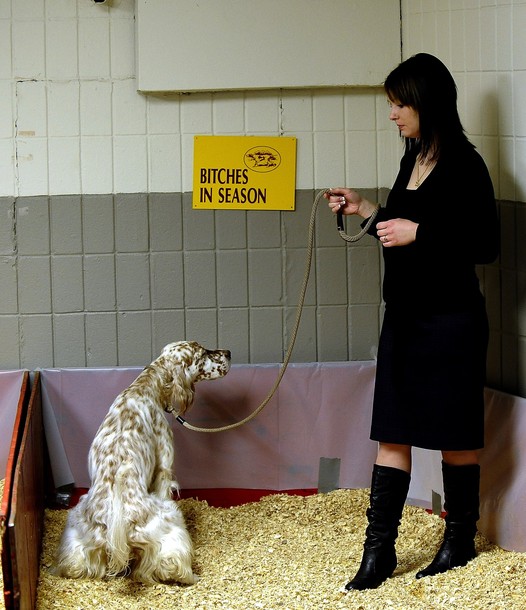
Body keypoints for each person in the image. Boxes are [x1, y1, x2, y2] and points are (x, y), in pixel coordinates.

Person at [325, 53, 499, 591]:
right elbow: (402, 222)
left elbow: (486, 244)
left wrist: (420, 234)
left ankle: (460, 540)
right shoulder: (413, 158)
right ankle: (377, 553)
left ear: (427, 102)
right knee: (392, 433)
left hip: (451, 322)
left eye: (400, 104)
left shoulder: (467, 165)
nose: (393, 114)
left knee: (454, 436)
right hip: (403, 318)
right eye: (392, 104)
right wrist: (366, 208)